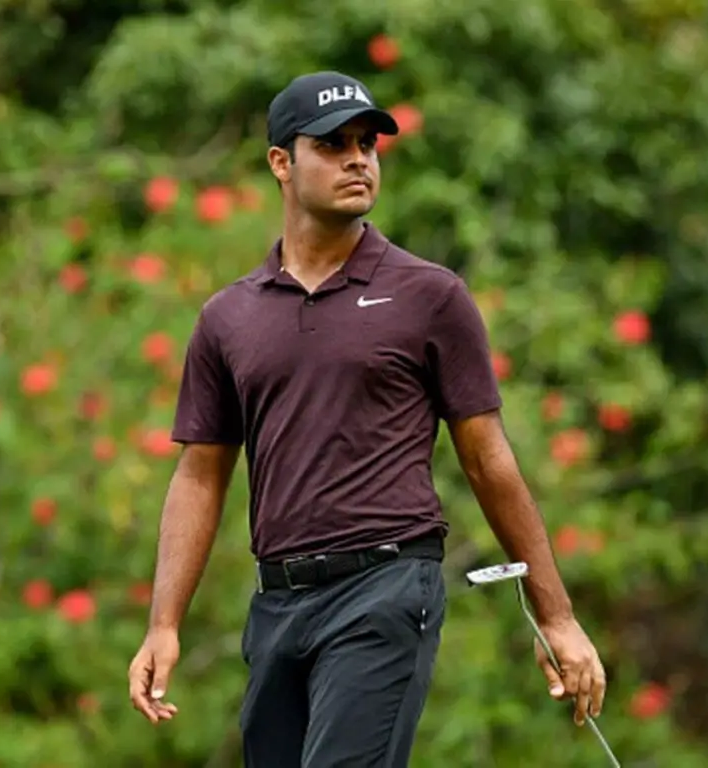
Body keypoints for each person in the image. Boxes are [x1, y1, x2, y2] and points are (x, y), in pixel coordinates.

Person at [128, 71, 607, 767]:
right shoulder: (228, 318)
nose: (358, 158)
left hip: (386, 590)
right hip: (278, 606)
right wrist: (163, 624)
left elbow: (488, 459)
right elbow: (200, 475)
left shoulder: (429, 296)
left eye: (367, 143)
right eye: (333, 144)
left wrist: (556, 616)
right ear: (281, 163)